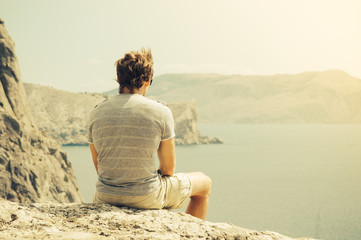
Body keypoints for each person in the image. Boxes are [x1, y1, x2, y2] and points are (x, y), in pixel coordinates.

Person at [88, 48, 211, 220]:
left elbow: (100, 168)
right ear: (146, 80)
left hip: (104, 196)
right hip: (146, 197)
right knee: (204, 183)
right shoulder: (160, 111)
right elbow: (168, 169)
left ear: (118, 79)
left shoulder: (96, 112)